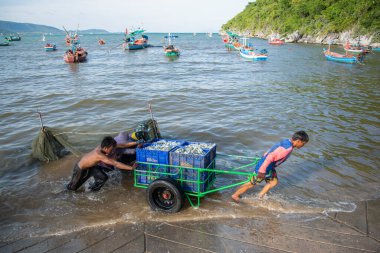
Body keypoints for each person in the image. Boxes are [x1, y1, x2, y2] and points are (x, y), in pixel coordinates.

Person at [231, 131, 309, 202]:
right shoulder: (287, 149)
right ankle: (235, 195)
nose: (303, 145)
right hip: (265, 167)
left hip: (269, 166)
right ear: (298, 141)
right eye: (303, 143)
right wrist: (262, 170)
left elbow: (272, 149)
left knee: (273, 181)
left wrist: (264, 155)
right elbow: (271, 156)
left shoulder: (286, 141)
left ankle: (260, 196)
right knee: (251, 183)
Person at [66, 136, 135, 192]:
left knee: (103, 177)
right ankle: (65, 195)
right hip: (80, 169)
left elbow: (123, 145)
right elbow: (115, 163)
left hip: (92, 167)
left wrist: (136, 142)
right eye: (111, 150)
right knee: (72, 189)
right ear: (105, 148)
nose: (112, 151)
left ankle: (92, 191)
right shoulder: (99, 155)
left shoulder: (104, 146)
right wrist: (131, 168)